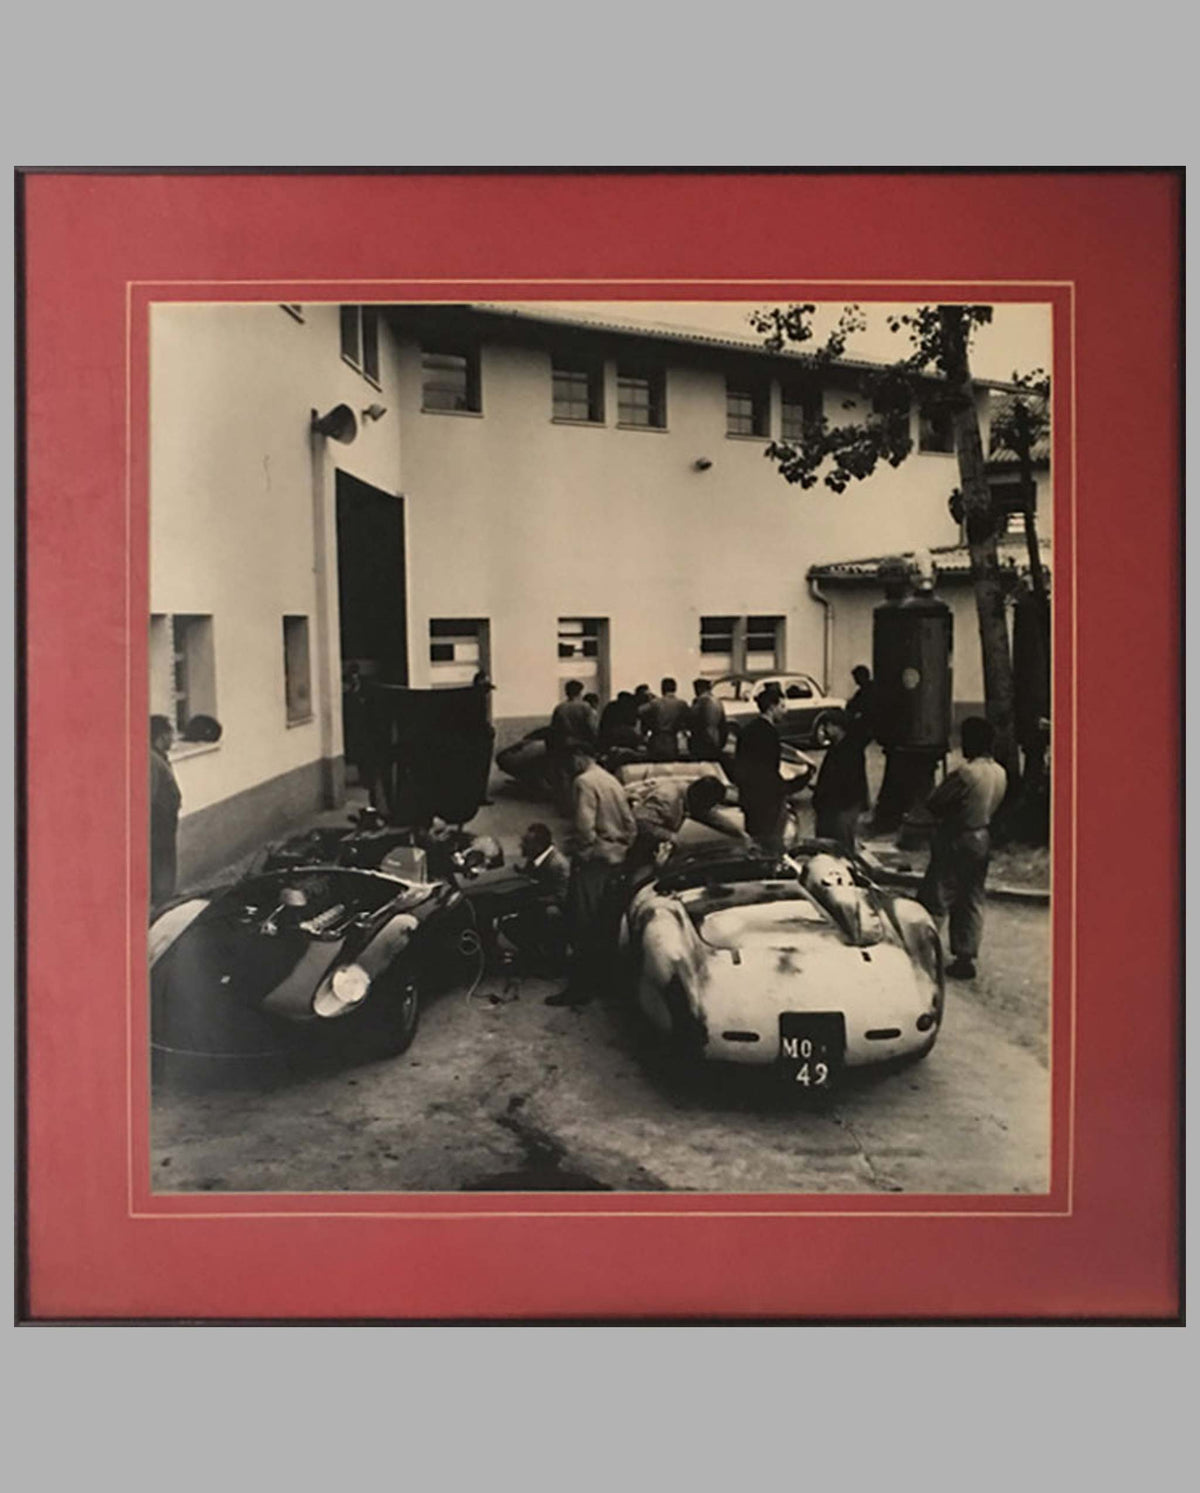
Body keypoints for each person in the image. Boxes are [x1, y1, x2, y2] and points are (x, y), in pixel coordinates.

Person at [546, 744, 636, 1008]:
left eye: (570, 761)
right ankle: (605, 982)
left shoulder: (584, 782)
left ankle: (580, 988)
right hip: (616, 857)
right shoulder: (610, 779)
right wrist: (620, 847)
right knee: (605, 923)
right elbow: (631, 824)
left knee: (583, 924)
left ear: (578, 757)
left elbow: (584, 827)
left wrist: (582, 856)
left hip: (595, 862)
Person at [918, 716, 1008, 979]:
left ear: (973, 742)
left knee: (936, 895)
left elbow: (935, 802)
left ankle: (924, 952)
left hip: (956, 836)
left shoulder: (965, 773)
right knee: (971, 897)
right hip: (982, 836)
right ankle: (965, 955)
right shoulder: (999, 772)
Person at [626, 772, 744, 869]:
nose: (707, 809)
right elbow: (641, 823)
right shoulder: (666, 798)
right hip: (634, 847)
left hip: (655, 846)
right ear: (699, 799)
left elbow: (712, 818)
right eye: (707, 805)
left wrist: (740, 834)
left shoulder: (692, 796)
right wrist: (671, 837)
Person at [733, 683, 794, 853]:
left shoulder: (746, 731)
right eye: (782, 706)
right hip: (768, 799)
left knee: (755, 842)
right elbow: (771, 769)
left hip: (750, 797)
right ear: (772, 707)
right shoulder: (770, 734)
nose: (785, 711)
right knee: (772, 843)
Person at [811, 707, 868, 853]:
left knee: (841, 845)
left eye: (828, 726)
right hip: (833, 806)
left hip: (843, 806)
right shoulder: (837, 748)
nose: (825, 730)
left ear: (838, 727)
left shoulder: (850, 750)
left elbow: (848, 781)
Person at [548, 680, 598, 811]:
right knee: (582, 776)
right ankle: (580, 806)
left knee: (565, 778)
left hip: (564, 745)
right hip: (581, 746)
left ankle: (566, 806)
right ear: (580, 692)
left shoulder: (560, 708)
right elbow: (592, 728)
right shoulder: (585, 707)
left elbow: (553, 730)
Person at [149, 715, 182, 909]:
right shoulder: (151, 759)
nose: (173, 738)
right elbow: (149, 795)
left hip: (165, 821)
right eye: (171, 733)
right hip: (157, 823)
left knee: (165, 859)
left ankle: (164, 897)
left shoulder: (158, 756)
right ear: (161, 736)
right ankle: (159, 902)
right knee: (160, 861)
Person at [638, 677, 690, 761]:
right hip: (672, 739)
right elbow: (688, 720)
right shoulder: (682, 704)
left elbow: (639, 711)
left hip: (656, 739)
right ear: (675, 688)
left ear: (662, 688)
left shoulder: (655, 703)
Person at [687, 677, 727, 761]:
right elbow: (723, 724)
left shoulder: (701, 701)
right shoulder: (718, 701)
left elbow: (692, 720)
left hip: (702, 742)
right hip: (716, 740)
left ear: (699, 688)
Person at [845, 664, 878, 744]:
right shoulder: (864, 690)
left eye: (856, 677)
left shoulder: (868, 691)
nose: (855, 680)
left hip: (867, 724)